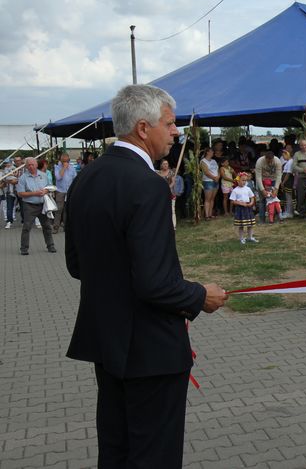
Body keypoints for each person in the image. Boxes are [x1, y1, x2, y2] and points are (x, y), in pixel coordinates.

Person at [64, 84, 227, 468]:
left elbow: (76, 265)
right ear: (142, 127)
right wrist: (199, 296)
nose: (175, 132)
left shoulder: (86, 178)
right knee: (154, 454)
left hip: (108, 342)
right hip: (149, 351)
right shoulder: (147, 185)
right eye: (169, 124)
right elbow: (154, 283)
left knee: (117, 449)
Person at [17, 157, 56, 254]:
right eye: (28, 165)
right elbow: (20, 193)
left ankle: (51, 246)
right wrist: (34, 193)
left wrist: (46, 190)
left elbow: (50, 186)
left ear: (36, 165)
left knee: (47, 226)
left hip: (43, 205)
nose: (30, 166)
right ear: (26, 166)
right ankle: (24, 249)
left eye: (32, 164)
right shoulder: (23, 178)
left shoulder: (43, 175)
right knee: (27, 227)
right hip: (29, 205)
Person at [230, 173, 258, 244]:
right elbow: (233, 201)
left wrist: (251, 203)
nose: (244, 182)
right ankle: (241, 238)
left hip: (248, 208)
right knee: (241, 225)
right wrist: (241, 203)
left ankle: (250, 237)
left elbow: (252, 197)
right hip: (240, 209)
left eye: (245, 180)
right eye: (243, 180)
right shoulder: (235, 190)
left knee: (250, 224)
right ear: (238, 181)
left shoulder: (248, 188)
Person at [254, 150, 282, 224]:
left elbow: (279, 176)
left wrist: (276, 188)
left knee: (274, 200)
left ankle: (273, 219)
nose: (270, 162)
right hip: (262, 180)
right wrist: (262, 190)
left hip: (273, 180)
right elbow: (258, 177)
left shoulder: (277, 161)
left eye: (271, 160)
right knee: (262, 200)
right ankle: (262, 220)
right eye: (268, 160)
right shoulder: (259, 162)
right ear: (265, 158)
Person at [53, 153, 77, 233]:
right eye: (64, 161)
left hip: (69, 191)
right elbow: (58, 177)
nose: (66, 162)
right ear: (61, 160)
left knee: (67, 210)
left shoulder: (72, 168)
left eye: (67, 161)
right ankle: (56, 227)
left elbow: (75, 178)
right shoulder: (57, 167)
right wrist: (64, 168)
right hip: (60, 191)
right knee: (59, 209)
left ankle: (66, 227)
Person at [292, 139, 306, 217]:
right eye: (302, 145)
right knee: (301, 196)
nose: (303, 147)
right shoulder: (297, 154)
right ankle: (301, 213)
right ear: (300, 146)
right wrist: (302, 170)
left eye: (305, 145)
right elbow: (294, 167)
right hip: (301, 178)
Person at [157, 159, 178, 230]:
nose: (166, 165)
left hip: (170, 193)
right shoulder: (158, 173)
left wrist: (168, 187)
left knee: (172, 209)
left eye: (167, 164)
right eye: (164, 164)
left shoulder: (171, 172)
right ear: (161, 165)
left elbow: (173, 182)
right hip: (161, 194)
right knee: (162, 210)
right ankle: (164, 225)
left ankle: (173, 225)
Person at [200, 148, 219, 220]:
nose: (213, 153)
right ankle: (207, 215)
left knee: (212, 199)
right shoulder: (203, 161)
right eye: (211, 151)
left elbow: (217, 170)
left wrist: (218, 177)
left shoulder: (214, 161)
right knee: (207, 199)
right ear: (207, 152)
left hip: (215, 181)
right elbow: (206, 172)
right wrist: (214, 177)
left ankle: (210, 214)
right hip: (208, 181)